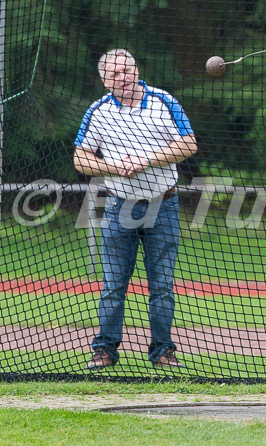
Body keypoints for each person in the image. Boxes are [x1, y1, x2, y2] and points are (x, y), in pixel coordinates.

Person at [73, 49, 196, 369]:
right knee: (113, 286)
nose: (123, 77)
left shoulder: (162, 100)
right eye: (115, 74)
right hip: (118, 208)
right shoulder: (98, 111)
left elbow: (188, 143)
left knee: (162, 287)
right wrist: (114, 167)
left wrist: (144, 161)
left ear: (136, 69)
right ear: (104, 80)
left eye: (127, 70)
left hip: (163, 206)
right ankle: (105, 350)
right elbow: (80, 158)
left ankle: (162, 352)